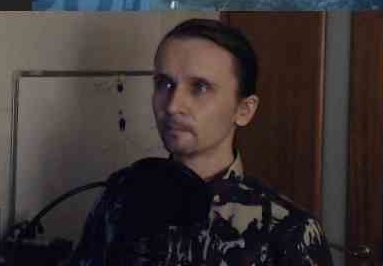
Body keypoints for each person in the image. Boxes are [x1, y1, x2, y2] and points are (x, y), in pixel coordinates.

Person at [70, 19, 334, 266]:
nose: (172, 106)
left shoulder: (290, 230)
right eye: (164, 83)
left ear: (244, 110)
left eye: (200, 87)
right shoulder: (120, 197)